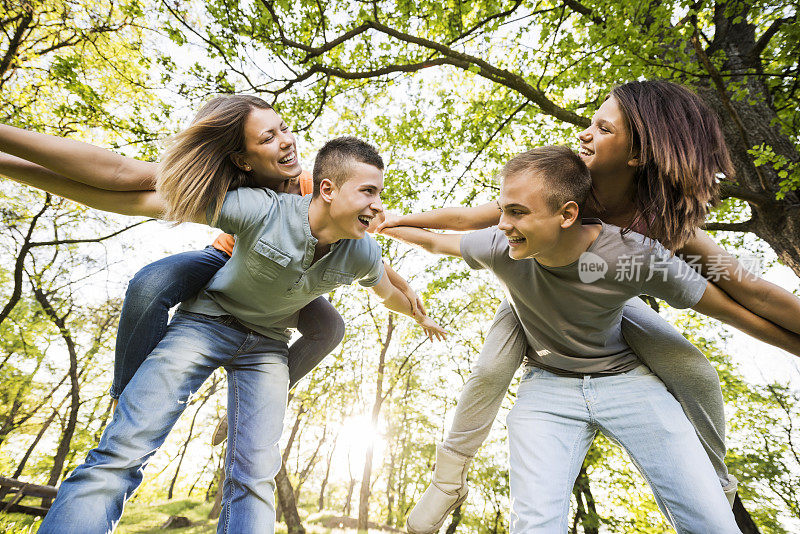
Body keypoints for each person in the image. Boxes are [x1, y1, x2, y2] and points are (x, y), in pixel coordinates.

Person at [0, 98, 446, 534]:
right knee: (151, 285)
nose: (286, 142)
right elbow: (125, 183)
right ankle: (126, 392)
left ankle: (254, 405)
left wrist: (413, 304)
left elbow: (370, 262)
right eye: (267, 138)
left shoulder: (316, 187)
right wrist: (12, 164)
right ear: (242, 158)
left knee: (329, 329)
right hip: (223, 271)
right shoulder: (241, 196)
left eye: (283, 128)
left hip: (278, 314)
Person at [377, 81, 800, 532]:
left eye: (602, 128)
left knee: (694, 370)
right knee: (488, 372)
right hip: (528, 300)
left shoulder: (660, 228)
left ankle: (715, 484)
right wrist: (397, 221)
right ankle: (447, 480)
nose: (584, 133)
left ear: (637, 154)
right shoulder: (552, 186)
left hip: (608, 304)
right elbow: (468, 221)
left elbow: (747, 293)